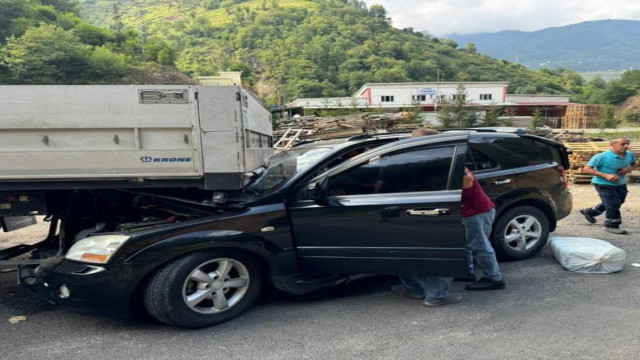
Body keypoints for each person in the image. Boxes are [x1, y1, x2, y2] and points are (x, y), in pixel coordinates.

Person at [390, 128, 505, 307]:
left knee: (478, 245)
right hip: (460, 211)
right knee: (465, 246)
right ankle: (467, 273)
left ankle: (494, 278)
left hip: (476, 211)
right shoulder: (433, 159)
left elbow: (467, 182)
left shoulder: (448, 158)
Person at [579, 137, 638, 235]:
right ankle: (612, 225)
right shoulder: (602, 156)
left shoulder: (629, 155)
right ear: (613, 145)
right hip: (603, 183)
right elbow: (587, 169)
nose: (626, 146)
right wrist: (606, 175)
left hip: (620, 183)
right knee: (613, 203)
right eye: (622, 144)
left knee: (618, 201)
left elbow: (634, 165)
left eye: (627, 143)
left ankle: (590, 212)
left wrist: (628, 169)